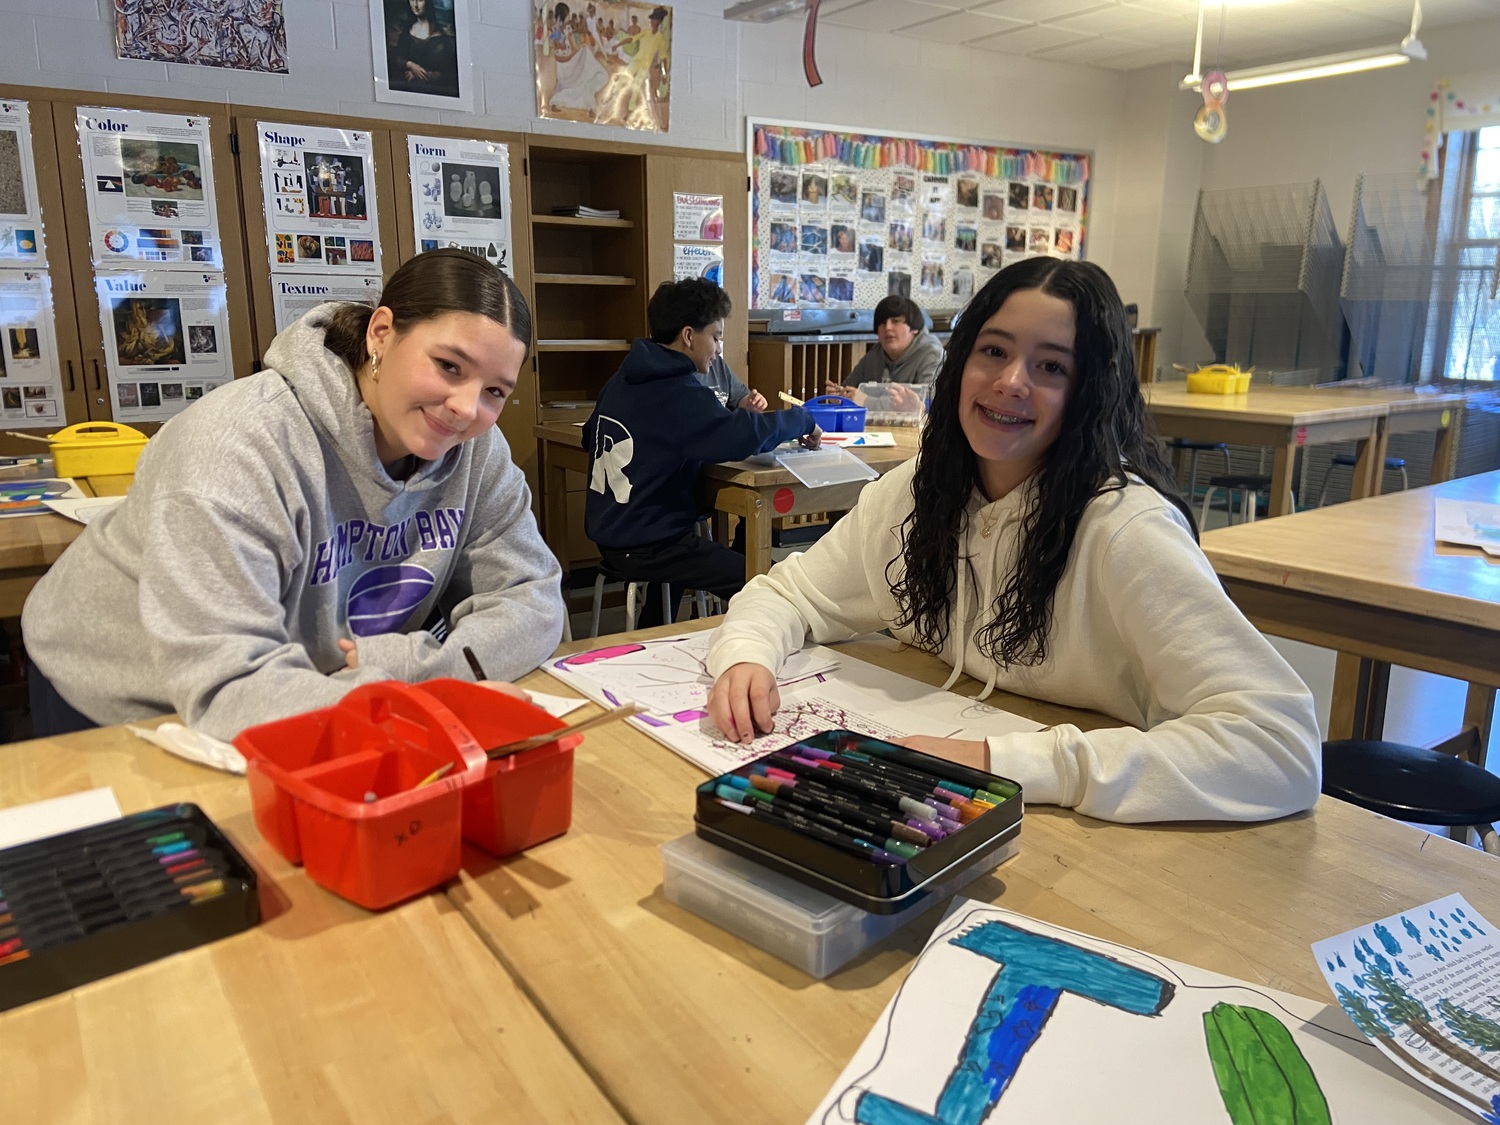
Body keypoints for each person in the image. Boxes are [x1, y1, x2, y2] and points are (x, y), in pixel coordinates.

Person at [706, 258, 1320, 825]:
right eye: (992, 351)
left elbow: (1280, 747)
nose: (1010, 381)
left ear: (1089, 393)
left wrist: (1005, 762)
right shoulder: (912, 494)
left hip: (1086, 848)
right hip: (944, 817)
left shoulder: (1124, 528)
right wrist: (747, 655)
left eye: (1051, 367)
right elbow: (790, 593)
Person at [23, 249, 563, 740]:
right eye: (448, 366)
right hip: (135, 698)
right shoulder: (237, 445)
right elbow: (228, 687)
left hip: (319, 694)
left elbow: (532, 600)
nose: (467, 408)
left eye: (495, 391)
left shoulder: (475, 448)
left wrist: (410, 669)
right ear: (381, 333)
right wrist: (431, 707)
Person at [584, 279, 820, 629]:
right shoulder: (678, 392)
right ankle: (749, 645)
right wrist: (802, 418)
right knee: (764, 580)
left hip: (611, 534)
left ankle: (655, 626)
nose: (719, 348)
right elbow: (742, 436)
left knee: (691, 537)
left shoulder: (623, 378)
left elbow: (590, 436)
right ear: (689, 336)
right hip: (650, 545)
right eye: (716, 336)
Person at [825, 294, 944, 400]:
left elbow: (928, 402)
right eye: (882, 323)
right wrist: (840, 395)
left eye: (895, 321)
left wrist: (866, 401)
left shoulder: (932, 354)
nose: (887, 328)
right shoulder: (876, 354)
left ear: (914, 328)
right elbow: (850, 388)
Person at [387, 0, 459, 99]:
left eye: (420, 0)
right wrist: (410, 65)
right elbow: (397, 57)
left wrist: (419, 75)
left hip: (435, 95)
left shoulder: (443, 38)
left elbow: (448, 73)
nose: (415, 5)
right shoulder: (408, 29)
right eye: (412, 0)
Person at [698, 355, 766, 412]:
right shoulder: (688, 378)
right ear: (688, 339)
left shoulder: (717, 363)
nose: (719, 349)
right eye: (714, 340)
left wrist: (751, 403)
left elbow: (739, 397)